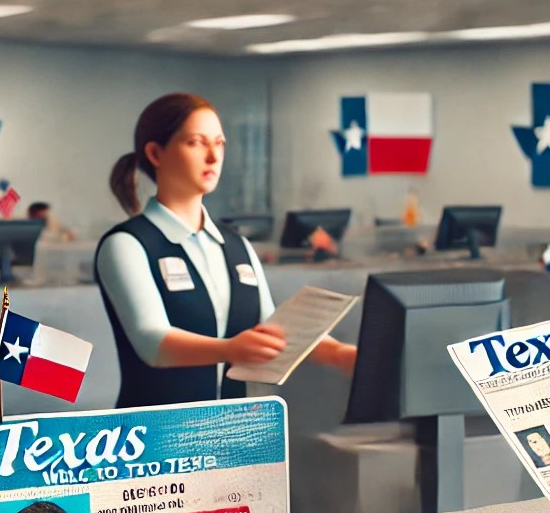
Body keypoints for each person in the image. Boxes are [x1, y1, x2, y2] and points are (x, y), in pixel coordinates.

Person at [96, 93, 357, 407]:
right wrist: (229, 349)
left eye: (219, 143)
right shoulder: (127, 244)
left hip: (229, 433)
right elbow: (153, 342)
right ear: (155, 153)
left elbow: (272, 330)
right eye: (196, 142)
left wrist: (341, 355)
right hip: (155, 437)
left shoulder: (236, 246)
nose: (213, 156)